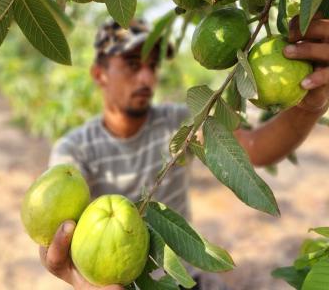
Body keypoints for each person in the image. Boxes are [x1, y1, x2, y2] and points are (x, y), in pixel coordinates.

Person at [39, 15, 329, 290]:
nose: (145, 78)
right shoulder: (75, 149)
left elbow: (253, 149)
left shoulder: (179, 122)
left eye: (152, 65)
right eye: (131, 64)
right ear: (99, 73)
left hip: (187, 279)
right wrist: (74, 274)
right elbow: (49, 231)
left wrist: (310, 107)